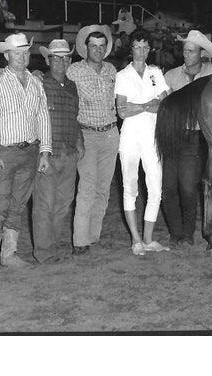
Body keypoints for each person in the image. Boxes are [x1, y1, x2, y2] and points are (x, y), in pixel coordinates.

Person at [0, 33, 52, 277]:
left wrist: (45, 151)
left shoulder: (35, 82)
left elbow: (43, 117)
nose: (22, 57)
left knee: (18, 204)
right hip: (4, 152)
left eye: (26, 52)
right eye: (17, 53)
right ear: (7, 55)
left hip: (29, 150)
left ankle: (9, 255)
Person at [162, 30, 212, 245]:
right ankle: (176, 232)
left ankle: (188, 233)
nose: (186, 54)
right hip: (172, 134)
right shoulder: (170, 76)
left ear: (202, 54)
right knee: (168, 187)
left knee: (188, 187)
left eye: (191, 51)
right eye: (184, 50)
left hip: (196, 136)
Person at [115, 29, 171, 255]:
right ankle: (136, 239)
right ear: (131, 49)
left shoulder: (156, 73)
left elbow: (165, 104)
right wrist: (150, 104)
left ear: (150, 49)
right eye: (137, 47)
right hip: (130, 136)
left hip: (152, 135)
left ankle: (148, 238)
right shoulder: (123, 75)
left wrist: (139, 106)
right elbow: (122, 112)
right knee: (130, 187)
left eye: (145, 47)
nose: (141, 52)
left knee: (155, 188)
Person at [67, 24, 119, 257]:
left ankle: (93, 235)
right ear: (85, 48)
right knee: (87, 187)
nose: (97, 50)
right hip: (86, 134)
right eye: (93, 46)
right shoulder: (74, 71)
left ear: (106, 48)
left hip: (110, 133)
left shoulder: (112, 71)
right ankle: (80, 240)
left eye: (101, 46)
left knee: (103, 187)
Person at [32, 39, 84, 264]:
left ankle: (50, 244)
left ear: (70, 61)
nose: (61, 62)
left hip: (70, 151)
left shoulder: (72, 86)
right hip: (47, 152)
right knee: (45, 204)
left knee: (63, 202)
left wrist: (80, 142)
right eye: (56, 57)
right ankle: (44, 252)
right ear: (47, 60)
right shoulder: (38, 82)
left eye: (65, 58)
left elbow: (75, 117)